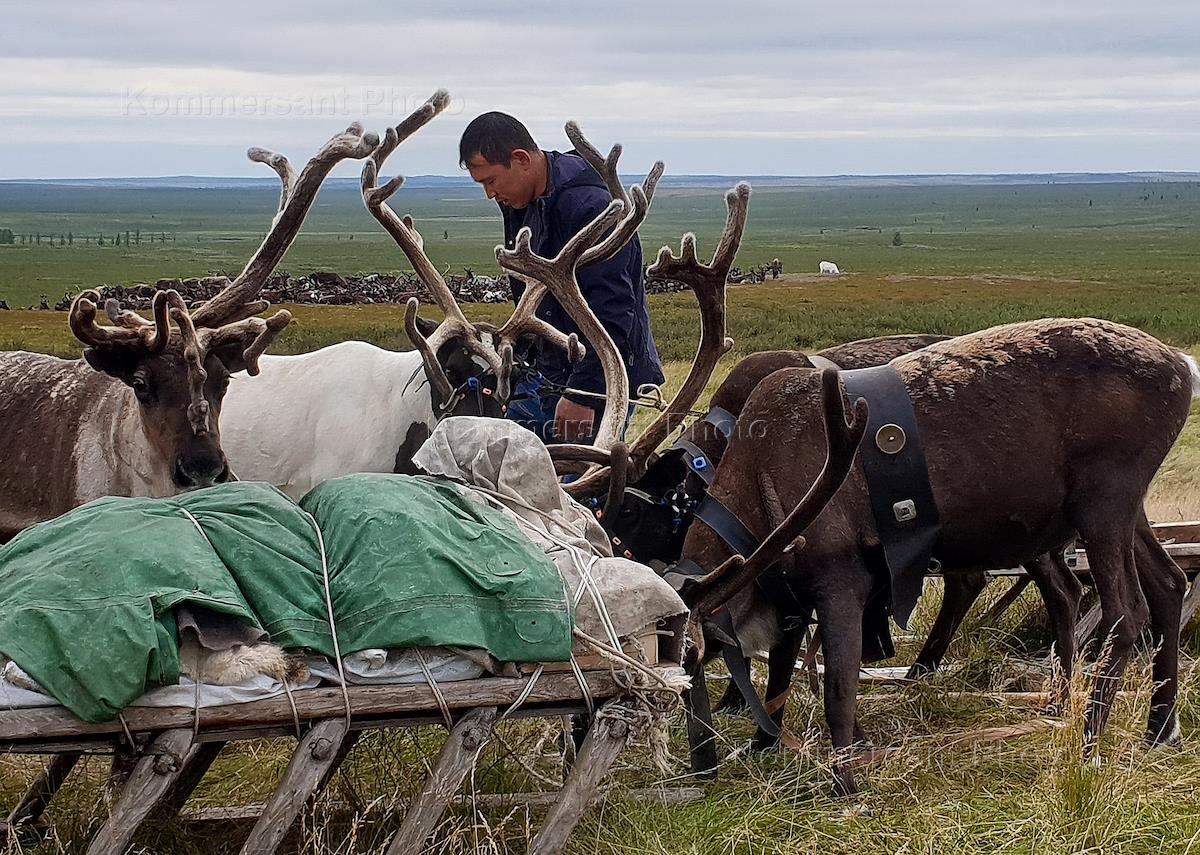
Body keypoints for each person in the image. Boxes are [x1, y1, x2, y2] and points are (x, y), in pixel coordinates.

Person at [459, 112, 664, 443]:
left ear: (521, 159)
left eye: (491, 181)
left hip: (602, 381)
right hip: (548, 373)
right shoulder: (520, 202)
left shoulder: (590, 206)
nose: (489, 194)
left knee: (573, 482)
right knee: (506, 470)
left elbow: (613, 312)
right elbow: (531, 296)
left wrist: (584, 395)